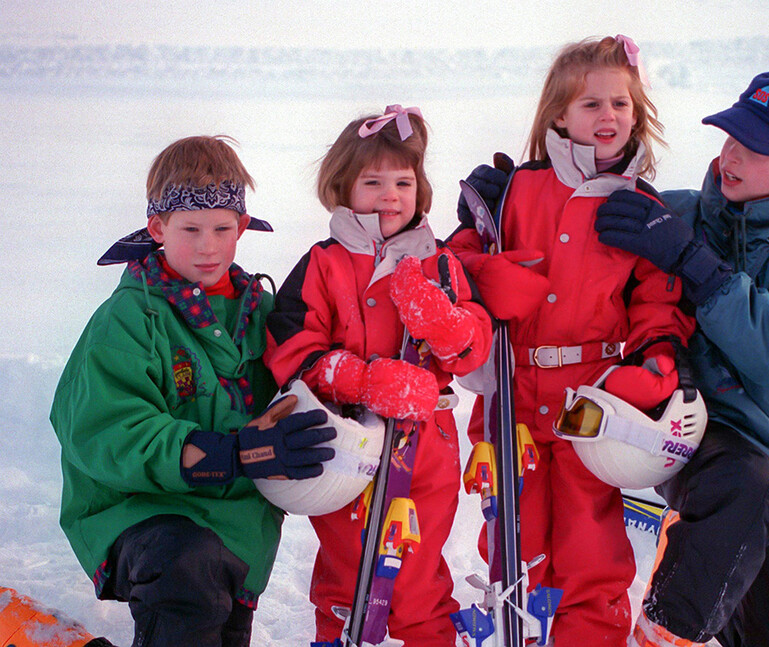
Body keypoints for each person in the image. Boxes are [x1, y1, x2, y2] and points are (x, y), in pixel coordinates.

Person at [448, 36, 694, 645]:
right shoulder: (516, 192)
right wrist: (482, 271)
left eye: (620, 104)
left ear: (636, 114)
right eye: (590, 105)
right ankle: (521, 633)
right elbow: (455, 269)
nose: (607, 116)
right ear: (559, 113)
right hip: (514, 396)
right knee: (515, 537)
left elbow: (656, 302)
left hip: (593, 403)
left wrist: (657, 360)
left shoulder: (641, 206)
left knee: (589, 544)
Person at [594, 71, 769, 646]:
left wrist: (698, 267)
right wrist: (511, 197)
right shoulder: (676, 215)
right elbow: (577, 223)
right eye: (731, 135)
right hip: (687, 433)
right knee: (747, 482)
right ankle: (663, 632)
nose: (731, 154)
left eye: (757, 145)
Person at [50, 135, 338, 647]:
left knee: (214, 621)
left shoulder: (264, 316)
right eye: (190, 229)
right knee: (189, 579)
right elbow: (104, 430)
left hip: (235, 522)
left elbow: (307, 381)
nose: (208, 245)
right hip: (141, 511)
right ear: (157, 228)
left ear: (242, 228)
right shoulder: (130, 319)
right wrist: (229, 453)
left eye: (222, 228)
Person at [264, 105, 493, 645]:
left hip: (427, 446)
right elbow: (291, 347)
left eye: (402, 181)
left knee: (415, 571)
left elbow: (476, 348)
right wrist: (359, 380)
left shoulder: (439, 264)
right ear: (342, 186)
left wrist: (444, 322)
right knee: (349, 570)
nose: (389, 195)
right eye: (372, 182)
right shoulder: (323, 263)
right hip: (348, 445)